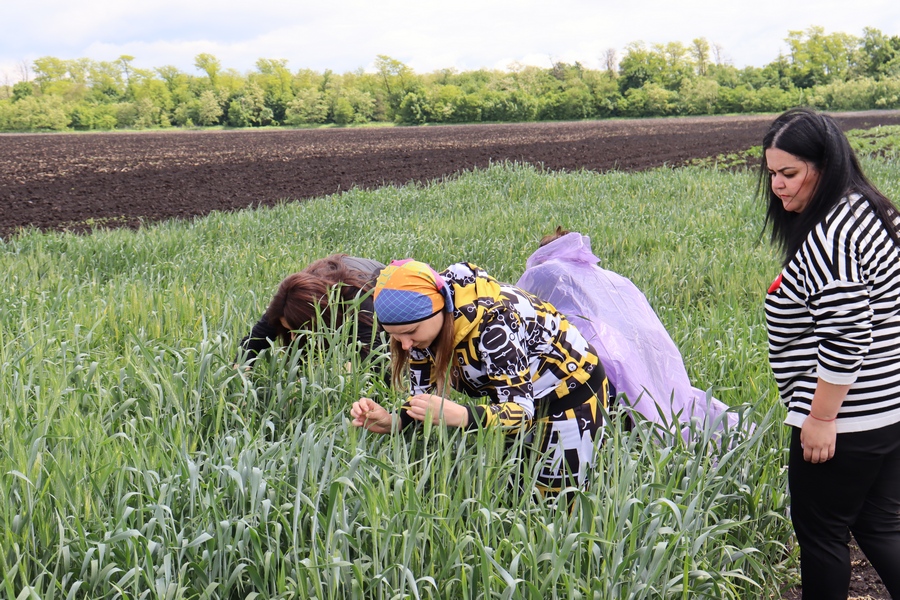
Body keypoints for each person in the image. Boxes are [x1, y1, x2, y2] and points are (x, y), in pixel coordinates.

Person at [761, 107, 900, 598]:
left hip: (844, 418)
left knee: (821, 538)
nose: (778, 185)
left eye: (790, 173)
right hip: (884, 409)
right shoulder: (870, 209)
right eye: (772, 172)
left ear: (825, 164)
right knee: (881, 527)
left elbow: (846, 336)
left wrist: (820, 418)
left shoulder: (830, 237)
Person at [349, 259, 610, 497]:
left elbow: (521, 412)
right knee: (516, 491)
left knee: (555, 500)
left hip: (572, 394)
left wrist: (463, 416)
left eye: (411, 332)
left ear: (439, 310)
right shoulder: (421, 337)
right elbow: (425, 398)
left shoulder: (494, 324)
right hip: (518, 397)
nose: (405, 345)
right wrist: (394, 422)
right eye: (395, 336)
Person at [516, 227, 735, 433]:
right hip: (643, 361)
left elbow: (519, 326)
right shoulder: (609, 278)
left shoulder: (546, 274)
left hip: (600, 374)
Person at [237, 254, 385, 366]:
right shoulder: (289, 301)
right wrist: (239, 375)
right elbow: (256, 338)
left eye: (298, 330)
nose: (293, 337)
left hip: (384, 293)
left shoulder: (357, 296)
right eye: (290, 331)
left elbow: (375, 355)